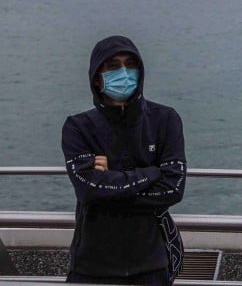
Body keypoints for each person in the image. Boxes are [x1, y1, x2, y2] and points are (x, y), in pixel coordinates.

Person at [62, 35, 186, 285]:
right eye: (113, 66)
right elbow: (87, 190)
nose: (124, 72)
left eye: (130, 64)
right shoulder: (78, 127)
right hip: (91, 266)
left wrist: (108, 184)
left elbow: (173, 188)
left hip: (151, 263)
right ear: (97, 77)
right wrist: (151, 173)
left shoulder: (165, 120)